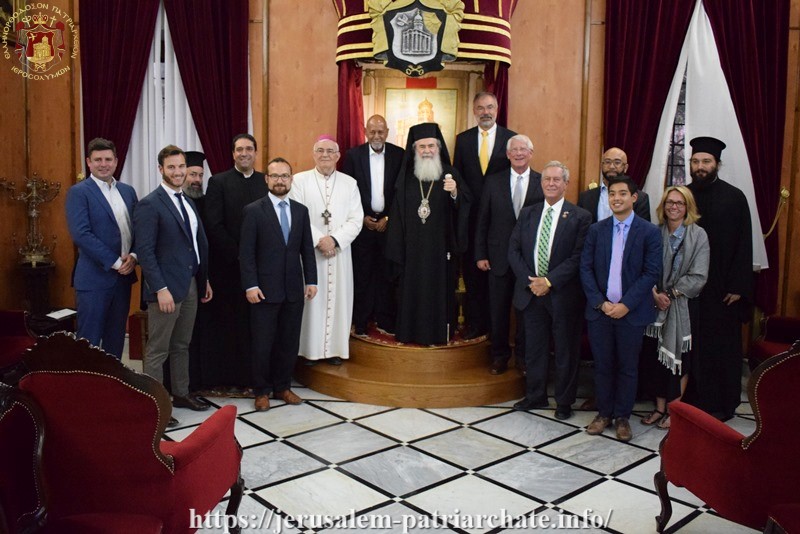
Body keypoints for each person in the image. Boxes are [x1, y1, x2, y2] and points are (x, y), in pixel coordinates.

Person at [134, 145, 213, 427]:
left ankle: (181, 393)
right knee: (158, 349)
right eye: (172, 168)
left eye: (181, 167)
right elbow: (145, 251)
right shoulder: (150, 204)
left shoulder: (187, 200)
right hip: (165, 289)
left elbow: (192, 245)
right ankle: (155, 405)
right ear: (161, 170)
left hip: (190, 284)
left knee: (182, 344)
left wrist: (203, 281)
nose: (178, 172)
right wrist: (160, 289)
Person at [580, 176, 661, 441]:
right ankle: (604, 414)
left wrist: (626, 305)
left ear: (634, 197)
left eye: (623, 193)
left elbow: (651, 273)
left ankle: (623, 417)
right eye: (612, 194)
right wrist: (600, 303)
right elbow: (586, 269)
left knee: (627, 366)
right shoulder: (596, 230)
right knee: (603, 365)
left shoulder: (649, 232)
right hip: (600, 312)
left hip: (632, 313)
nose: (617, 198)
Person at [509, 161, 591, 420]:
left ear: (566, 184)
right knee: (535, 348)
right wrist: (532, 280)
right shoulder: (528, 213)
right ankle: (535, 396)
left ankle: (564, 402)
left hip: (563, 295)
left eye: (557, 179)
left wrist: (549, 281)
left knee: (566, 350)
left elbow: (578, 257)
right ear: (541, 183)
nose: (552, 184)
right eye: (547, 179)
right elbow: (514, 250)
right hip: (531, 293)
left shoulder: (580, 216)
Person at [240, 157, 317, 411]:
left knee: (288, 342)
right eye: (275, 176)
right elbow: (247, 253)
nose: (280, 180)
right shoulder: (253, 210)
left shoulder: (300, 211)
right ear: (267, 179)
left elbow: (307, 249)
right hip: (262, 291)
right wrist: (250, 285)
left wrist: (312, 281)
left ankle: (283, 387)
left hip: (294, 290)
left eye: (285, 176)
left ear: (291, 179)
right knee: (262, 344)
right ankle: (261, 391)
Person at [685, 136, 752, 421]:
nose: (700, 167)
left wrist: (738, 285)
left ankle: (721, 403)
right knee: (692, 345)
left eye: (706, 162)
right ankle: (688, 400)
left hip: (723, 290)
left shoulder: (735, 197)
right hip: (689, 290)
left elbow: (744, 243)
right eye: (696, 161)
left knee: (720, 348)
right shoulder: (683, 196)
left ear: (717, 165)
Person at [386, 122, 471, 345]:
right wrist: (397, 246)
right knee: (410, 290)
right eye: (422, 146)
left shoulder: (450, 174)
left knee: (438, 291)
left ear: (439, 147)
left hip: (440, 249)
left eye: (431, 146)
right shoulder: (406, 176)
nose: (427, 151)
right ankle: (409, 332)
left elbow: (465, 206)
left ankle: (436, 334)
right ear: (414, 149)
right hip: (411, 249)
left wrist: (455, 194)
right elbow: (396, 213)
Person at [289, 136, 363, 365]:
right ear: (313, 154)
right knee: (312, 302)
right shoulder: (299, 181)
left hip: (339, 253)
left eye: (330, 151)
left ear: (338, 156)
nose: (325, 155)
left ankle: (334, 350)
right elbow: (296, 215)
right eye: (320, 150)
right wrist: (321, 240)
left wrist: (335, 240)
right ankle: (309, 351)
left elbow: (356, 219)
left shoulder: (350, 183)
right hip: (310, 252)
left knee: (338, 299)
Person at [641, 186, 709, 429]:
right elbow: (643, 267)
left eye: (680, 203)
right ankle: (660, 409)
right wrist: (654, 294)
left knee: (680, 360)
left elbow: (699, 275)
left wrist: (668, 294)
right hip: (653, 305)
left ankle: (675, 411)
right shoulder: (654, 233)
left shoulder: (698, 235)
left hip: (683, 307)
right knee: (655, 359)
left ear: (687, 207)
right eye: (670, 202)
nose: (674, 206)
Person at [203, 134, 268, 392]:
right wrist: (240, 255)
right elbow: (214, 224)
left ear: (255, 152)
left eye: (249, 149)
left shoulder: (266, 181)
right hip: (228, 267)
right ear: (232, 154)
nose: (244, 153)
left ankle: (254, 378)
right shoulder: (218, 182)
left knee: (256, 326)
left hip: (261, 270)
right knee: (230, 324)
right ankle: (229, 378)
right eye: (239, 149)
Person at [474, 134, 543, 374]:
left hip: (529, 262)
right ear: (507, 154)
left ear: (531, 153)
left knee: (526, 312)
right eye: (514, 150)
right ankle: (499, 356)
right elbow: (483, 220)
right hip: (497, 259)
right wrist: (480, 253)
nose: (519, 154)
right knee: (498, 310)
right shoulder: (493, 181)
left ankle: (522, 359)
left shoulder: (542, 181)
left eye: (523, 149)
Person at [66, 138, 138, 360]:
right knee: (88, 341)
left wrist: (134, 257)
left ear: (116, 161)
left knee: (115, 339)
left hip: (124, 278)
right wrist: (116, 262)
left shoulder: (127, 191)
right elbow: (81, 234)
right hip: (94, 280)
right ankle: (85, 391)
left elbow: (138, 228)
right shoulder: (79, 192)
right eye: (98, 160)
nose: (103, 164)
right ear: (89, 162)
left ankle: (111, 389)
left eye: (108, 159)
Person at [453, 92, 517, 339]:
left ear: (497, 109)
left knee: (499, 277)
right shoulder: (464, 140)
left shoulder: (511, 139)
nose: (485, 112)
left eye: (489, 107)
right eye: (480, 108)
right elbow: (458, 176)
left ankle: (495, 329)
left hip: (501, 222)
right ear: (473, 111)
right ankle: (473, 324)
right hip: (471, 220)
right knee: (472, 275)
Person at [342, 115, 404, 336]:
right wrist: (362, 218)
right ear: (365, 132)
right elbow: (347, 191)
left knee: (388, 275)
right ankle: (360, 322)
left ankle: (386, 321)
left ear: (387, 132)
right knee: (362, 275)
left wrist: (388, 218)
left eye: (381, 132)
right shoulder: (353, 155)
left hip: (390, 227)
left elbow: (402, 192)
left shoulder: (399, 155)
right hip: (362, 226)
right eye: (372, 131)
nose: (376, 136)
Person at [579, 147, 651, 223]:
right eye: (607, 162)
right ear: (601, 166)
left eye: (617, 162)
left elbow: (643, 230)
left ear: (625, 167)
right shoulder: (585, 197)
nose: (611, 166)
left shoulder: (640, 198)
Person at [181, 151, 206, 218]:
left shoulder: (207, 202)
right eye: (193, 174)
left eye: (201, 175)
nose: (198, 180)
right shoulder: (176, 201)